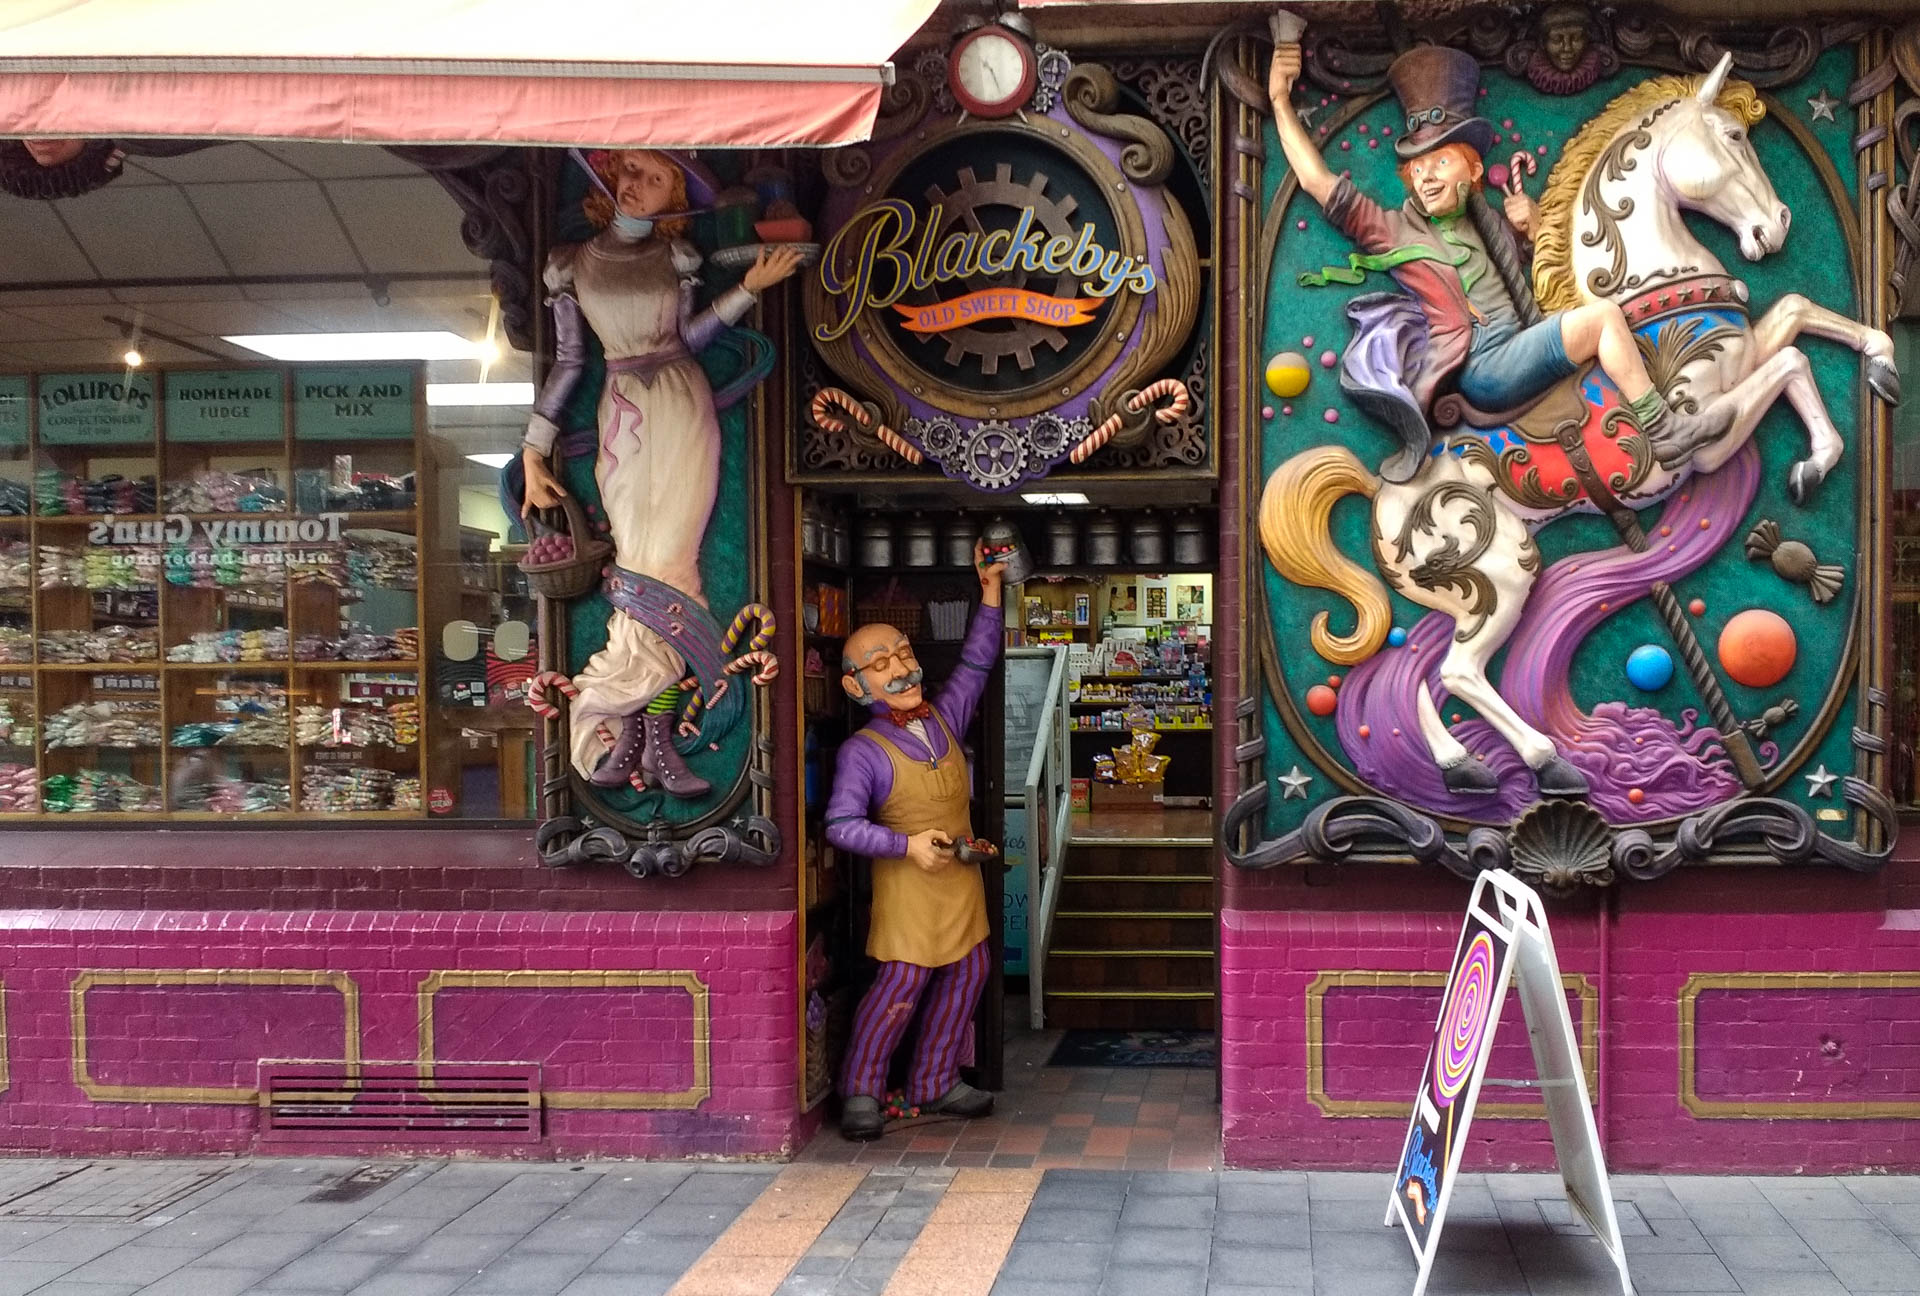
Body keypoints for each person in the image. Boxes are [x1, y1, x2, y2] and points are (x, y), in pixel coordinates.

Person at [1269, 36, 1728, 483]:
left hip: (1516, 349)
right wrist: (1278, 102)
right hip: (1485, 366)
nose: (1426, 178)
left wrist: (1532, 225)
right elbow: (1317, 181)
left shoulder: (1490, 226)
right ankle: (1665, 432)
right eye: (1417, 170)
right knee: (1605, 318)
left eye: (1440, 162)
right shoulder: (1395, 231)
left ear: (1472, 169)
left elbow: (1538, 272)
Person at [520, 149, 803, 793]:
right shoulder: (570, 263)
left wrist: (748, 290)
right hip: (622, 407)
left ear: (673, 191)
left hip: (681, 402)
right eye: (630, 172)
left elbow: (690, 336)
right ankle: (640, 733)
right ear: (609, 177)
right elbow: (568, 363)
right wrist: (536, 450)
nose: (637, 186)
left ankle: (654, 744)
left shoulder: (678, 259)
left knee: (676, 560)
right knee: (639, 559)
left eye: (655, 177)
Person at [824, 538, 1006, 1140]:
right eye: (880, 665)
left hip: (960, 881)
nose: (900, 669)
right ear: (856, 688)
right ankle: (861, 1090)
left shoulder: (945, 719)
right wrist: (906, 846)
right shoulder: (863, 752)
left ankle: (935, 1081)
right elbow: (840, 826)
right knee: (902, 982)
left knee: (969, 972)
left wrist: (990, 592)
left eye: (902, 654)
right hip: (906, 885)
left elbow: (977, 664)